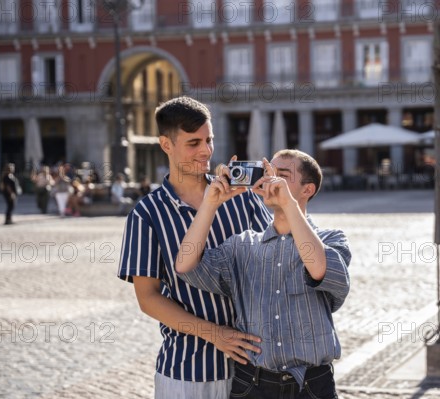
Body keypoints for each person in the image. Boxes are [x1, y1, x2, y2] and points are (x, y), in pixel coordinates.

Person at [117, 96, 273, 399]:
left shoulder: (243, 197)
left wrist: (281, 203)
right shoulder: (146, 214)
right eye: (193, 143)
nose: (206, 151)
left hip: (256, 369)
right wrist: (215, 334)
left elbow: (281, 258)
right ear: (166, 145)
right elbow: (148, 299)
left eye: (209, 140)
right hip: (188, 374)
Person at [175, 150, 351, 399]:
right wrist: (210, 203)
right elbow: (185, 265)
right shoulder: (242, 245)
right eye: (268, 172)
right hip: (252, 385)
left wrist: (288, 204)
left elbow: (318, 267)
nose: (271, 180)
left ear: (307, 190)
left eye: (281, 175)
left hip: (312, 387)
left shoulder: (331, 240)